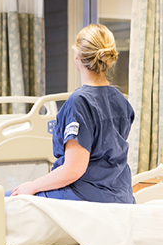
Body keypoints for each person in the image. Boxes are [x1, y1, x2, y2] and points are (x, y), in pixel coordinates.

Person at [9, 24, 135, 203]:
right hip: (120, 196)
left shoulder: (79, 102)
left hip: (85, 197)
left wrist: (32, 186)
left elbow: (73, 169)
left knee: (2, 202)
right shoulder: (121, 100)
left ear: (77, 55)